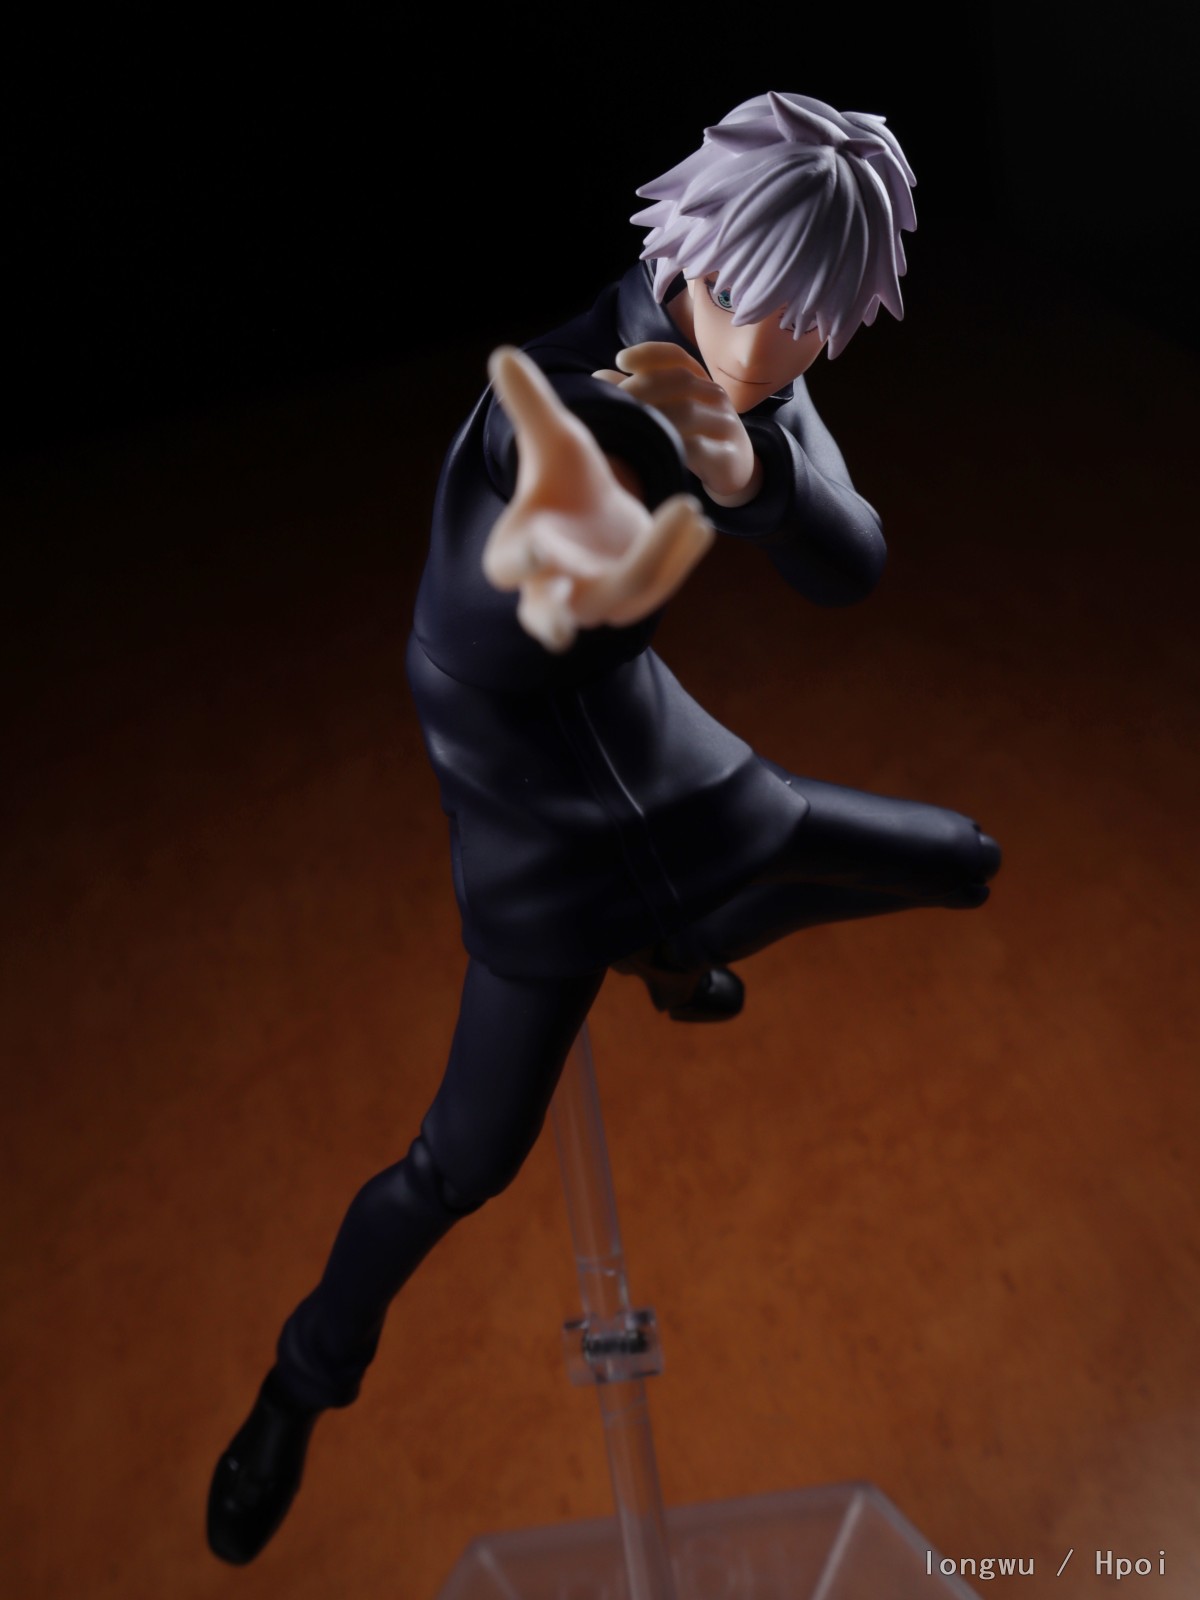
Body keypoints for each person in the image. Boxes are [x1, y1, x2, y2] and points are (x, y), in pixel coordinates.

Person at [206, 91, 1000, 1564]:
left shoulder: (762, 380)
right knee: (457, 1169)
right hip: (529, 801)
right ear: (695, 247)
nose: (766, 350)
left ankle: (676, 943)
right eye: (750, 304)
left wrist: (758, 478)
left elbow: (856, 559)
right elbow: (518, 568)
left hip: (657, 753)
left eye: (808, 328)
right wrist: (593, 557)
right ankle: (296, 1386)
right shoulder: (564, 392)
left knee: (960, 861)